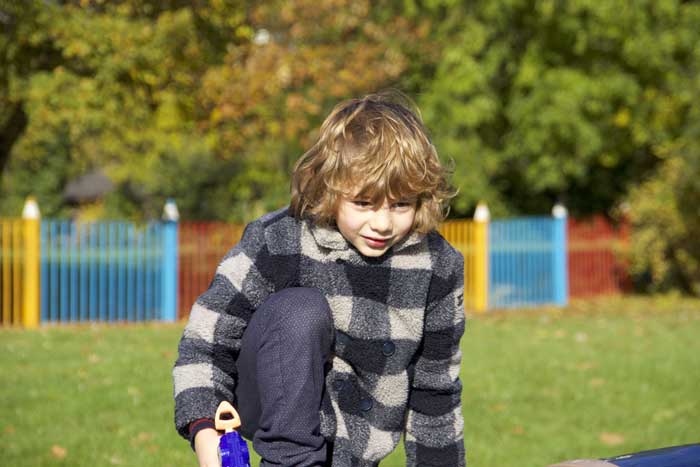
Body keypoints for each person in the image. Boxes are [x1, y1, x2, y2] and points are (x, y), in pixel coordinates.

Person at [173, 91, 467, 467]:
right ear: (330, 187)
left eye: (400, 205)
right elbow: (205, 342)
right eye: (363, 203)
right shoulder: (278, 239)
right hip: (266, 405)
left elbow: (435, 392)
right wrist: (205, 435)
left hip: (360, 441)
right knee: (300, 310)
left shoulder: (438, 266)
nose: (382, 223)